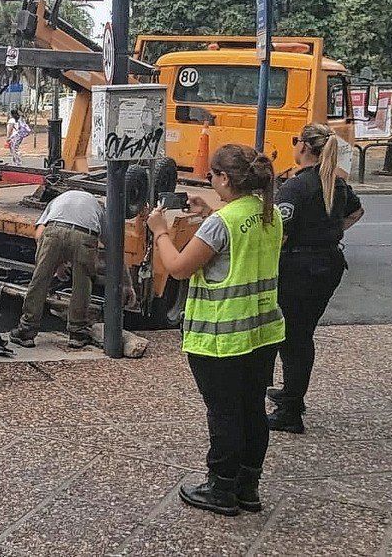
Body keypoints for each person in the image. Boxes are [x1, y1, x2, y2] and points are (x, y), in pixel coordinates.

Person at [147, 144, 284, 517]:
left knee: (223, 413)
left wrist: (160, 232)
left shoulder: (219, 224)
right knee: (252, 408)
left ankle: (220, 489)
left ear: (225, 179)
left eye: (211, 175)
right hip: (262, 332)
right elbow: (241, 241)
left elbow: (177, 267)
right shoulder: (268, 213)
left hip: (221, 336)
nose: (209, 180)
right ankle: (247, 487)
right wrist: (211, 212)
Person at [268, 124, 364, 433]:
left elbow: (279, 233)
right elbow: (357, 212)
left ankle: (290, 410)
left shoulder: (296, 188)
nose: (293, 146)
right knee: (301, 332)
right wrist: (327, 233)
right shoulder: (333, 183)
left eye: (296, 141)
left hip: (299, 268)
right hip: (328, 262)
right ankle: (293, 393)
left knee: (293, 336)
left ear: (306, 148)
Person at [11, 189, 104, 349]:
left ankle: (26, 331)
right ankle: (77, 334)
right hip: (85, 236)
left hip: (54, 231)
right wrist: (127, 284)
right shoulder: (98, 207)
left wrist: (55, 264)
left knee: (39, 281)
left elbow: (39, 234)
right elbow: (113, 246)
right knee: (82, 285)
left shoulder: (57, 200)